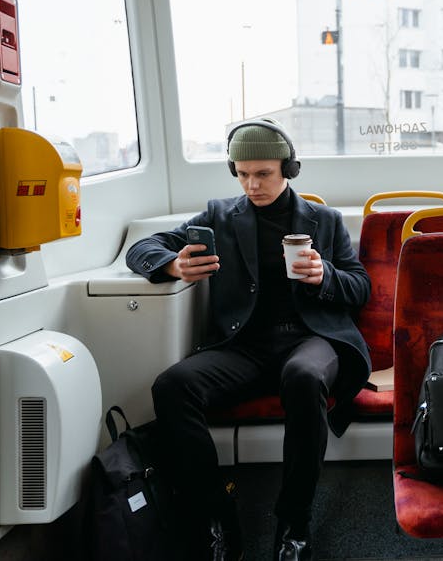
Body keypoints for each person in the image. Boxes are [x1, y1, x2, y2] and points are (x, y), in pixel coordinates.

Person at [126, 119, 371, 561]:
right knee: (172, 386)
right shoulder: (219, 217)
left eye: (263, 174)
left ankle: (294, 522)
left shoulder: (325, 220)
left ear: (288, 169)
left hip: (312, 339)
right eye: (242, 174)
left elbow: (360, 287)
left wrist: (324, 276)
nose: (252, 184)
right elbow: (142, 248)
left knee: (302, 376)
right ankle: (216, 515)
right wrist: (171, 266)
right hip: (246, 347)